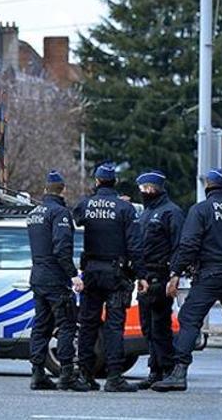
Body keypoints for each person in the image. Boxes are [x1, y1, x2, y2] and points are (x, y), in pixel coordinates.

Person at [152, 169, 222, 394]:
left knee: (189, 318)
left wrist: (176, 272)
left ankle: (179, 373)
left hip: (209, 275)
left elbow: (189, 245)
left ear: (207, 187)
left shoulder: (200, 210)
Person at [72, 162, 145, 392]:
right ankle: (114, 377)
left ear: (96, 182)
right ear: (115, 182)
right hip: (116, 274)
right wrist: (140, 274)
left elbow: (75, 219)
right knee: (114, 326)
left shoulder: (86, 204)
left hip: (91, 273)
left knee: (87, 325)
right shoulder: (125, 209)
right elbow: (135, 245)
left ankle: (84, 375)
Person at [27, 170, 89, 392]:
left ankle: (37, 374)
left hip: (38, 277)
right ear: (63, 189)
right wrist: (73, 275)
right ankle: (66, 375)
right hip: (55, 278)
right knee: (66, 325)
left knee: (41, 325)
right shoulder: (60, 213)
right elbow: (61, 248)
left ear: (45, 189)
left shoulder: (34, 213)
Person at [134, 170, 184, 390]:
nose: (143, 192)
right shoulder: (146, 213)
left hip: (161, 277)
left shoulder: (171, 212)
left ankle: (167, 369)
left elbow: (178, 246)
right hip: (145, 277)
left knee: (160, 327)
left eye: (146, 188)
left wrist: (175, 275)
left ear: (156, 188)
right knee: (148, 327)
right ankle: (155, 369)